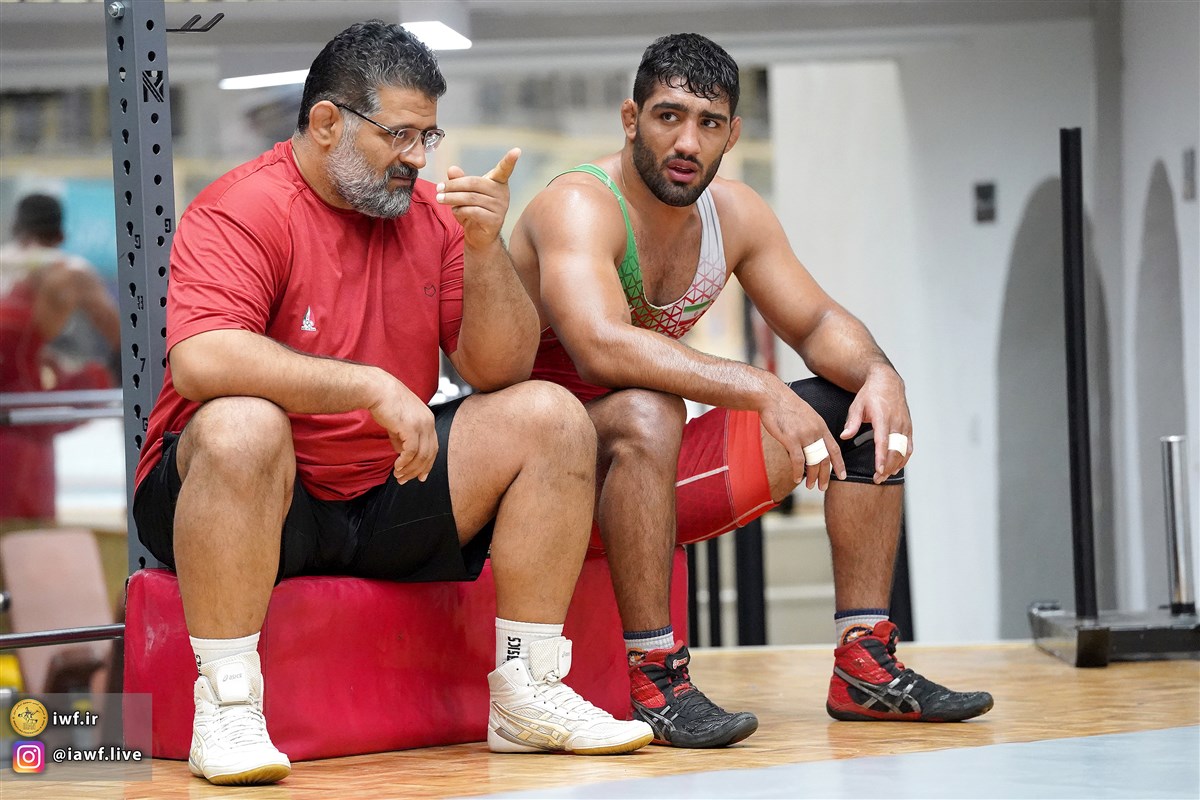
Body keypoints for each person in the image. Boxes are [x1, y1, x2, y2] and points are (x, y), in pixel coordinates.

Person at [132, 21, 652, 787]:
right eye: (399, 135)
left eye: (427, 136)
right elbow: (202, 359)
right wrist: (370, 385)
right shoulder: (244, 206)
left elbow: (500, 368)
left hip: (381, 490)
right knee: (244, 423)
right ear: (326, 122)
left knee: (549, 414)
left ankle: (529, 688)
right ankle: (229, 705)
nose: (417, 156)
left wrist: (485, 248)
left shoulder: (432, 215)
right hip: (253, 495)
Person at [510, 32, 994, 748]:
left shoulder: (734, 215)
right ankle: (656, 680)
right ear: (630, 119)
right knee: (649, 409)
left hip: (647, 483)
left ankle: (865, 665)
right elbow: (600, 344)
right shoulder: (579, 204)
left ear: (732, 134)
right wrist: (760, 387)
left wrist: (881, 373)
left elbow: (819, 321)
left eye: (708, 123)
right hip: (544, 488)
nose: (688, 141)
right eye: (668, 116)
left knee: (857, 409)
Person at [0, 193, 120, 521]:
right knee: (27, 535)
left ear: (16, 228)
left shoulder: (5, 262)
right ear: (60, 235)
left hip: (13, 403)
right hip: (24, 420)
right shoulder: (66, 271)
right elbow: (124, 338)